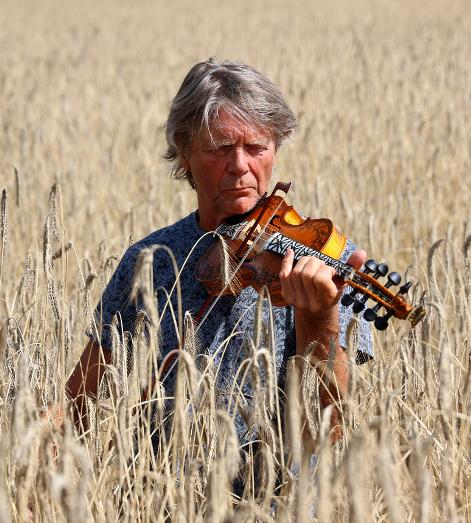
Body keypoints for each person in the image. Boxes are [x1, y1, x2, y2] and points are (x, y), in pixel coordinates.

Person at [64, 59, 373, 457]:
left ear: (276, 149)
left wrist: (321, 317)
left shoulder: (326, 259)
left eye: (256, 147)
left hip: (277, 493)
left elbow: (327, 433)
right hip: (162, 489)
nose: (240, 166)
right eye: (220, 148)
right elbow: (80, 399)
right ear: (184, 153)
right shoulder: (151, 259)